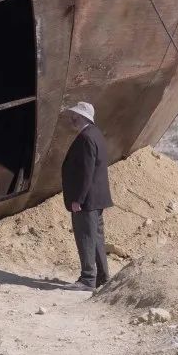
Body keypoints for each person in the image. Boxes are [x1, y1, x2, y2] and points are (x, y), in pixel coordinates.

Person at [60, 102, 113, 291]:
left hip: (87, 200)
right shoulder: (95, 134)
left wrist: (78, 199)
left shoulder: (85, 137)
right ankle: (103, 277)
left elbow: (86, 172)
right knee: (96, 237)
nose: (71, 119)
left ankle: (88, 279)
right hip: (97, 198)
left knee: (86, 238)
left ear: (80, 117)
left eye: (73, 116)